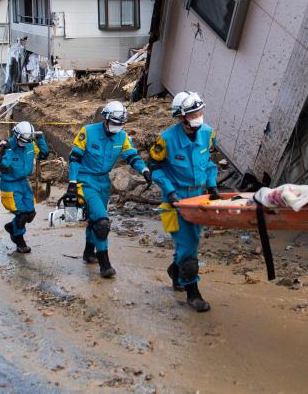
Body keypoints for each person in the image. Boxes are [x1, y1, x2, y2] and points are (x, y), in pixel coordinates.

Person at [149, 91, 219, 311]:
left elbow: (209, 162)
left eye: (200, 112)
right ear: (181, 117)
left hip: (199, 198)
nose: (199, 117)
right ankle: (193, 294)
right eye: (193, 114)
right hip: (176, 201)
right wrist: (170, 192)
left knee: (192, 242)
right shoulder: (166, 140)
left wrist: (212, 185)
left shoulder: (208, 134)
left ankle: (175, 271)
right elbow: (155, 168)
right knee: (188, 247)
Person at [66, 101, 152, 278]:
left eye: (120, 123)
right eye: (114, 122)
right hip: (85, 180)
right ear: (105, 118)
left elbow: (132, 156)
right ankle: (104, 264)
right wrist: (72, 182)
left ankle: (88, 252)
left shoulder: (122, 137)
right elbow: (75, 157)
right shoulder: (88, 132)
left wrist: (144, 170)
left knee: (94, 220)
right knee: (102, 222)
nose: (117, 126)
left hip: (104, 182)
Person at [0, 121, 50, 253]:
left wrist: (40, 139)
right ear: (16, 135)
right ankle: (19, 241)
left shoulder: (30, 145)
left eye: (27, 141)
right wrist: (8, 150)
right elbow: (3, 167)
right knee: (21, 215)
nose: (24, 143)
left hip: (23, 183)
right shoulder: (7, 147)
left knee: (30, 214)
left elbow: (43, 154)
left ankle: (12, 227)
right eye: (22, 140)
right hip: (9, 183)